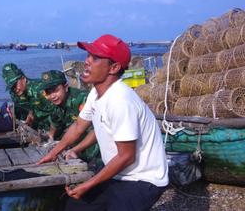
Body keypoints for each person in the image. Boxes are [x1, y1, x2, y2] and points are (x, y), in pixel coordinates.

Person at [38, 34, 168, 211]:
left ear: (113, 67)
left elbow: (126, 156)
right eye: (88, 56)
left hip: (143, 179)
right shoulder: (95, 93)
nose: (87, 61)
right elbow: (78, 126)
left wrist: (87, 184)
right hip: (119, 174)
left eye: (96, 58)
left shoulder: (120, 101)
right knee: (73, 207)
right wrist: (54, 152)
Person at [1, 63, 54, 131]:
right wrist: (30, 114)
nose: (15, 89)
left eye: (15, 85)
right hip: (33, 125)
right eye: (11, 87)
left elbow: (56, 111)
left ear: (23, 79)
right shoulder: (13, 93)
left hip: (51, 125)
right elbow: (30, 109)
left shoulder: (40, 88)